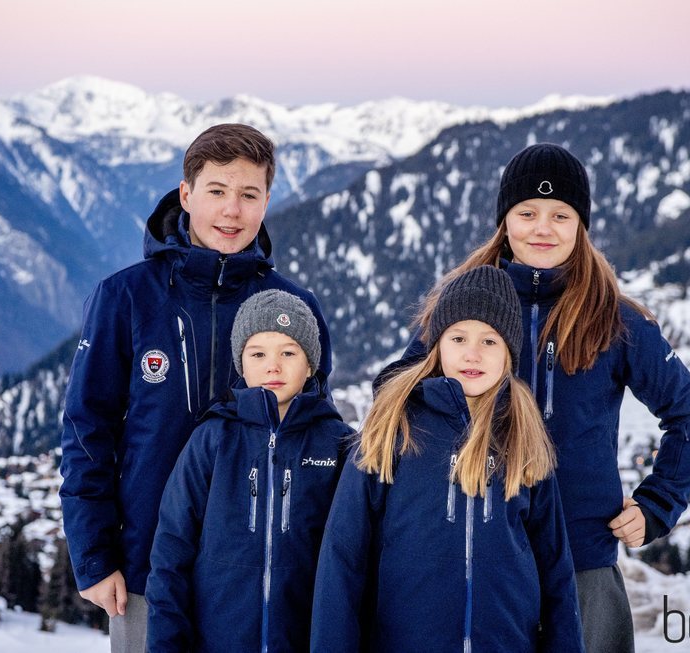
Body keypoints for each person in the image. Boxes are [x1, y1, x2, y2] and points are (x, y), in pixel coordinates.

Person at [395, 143, 690, 652]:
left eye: (560, 215)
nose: (543, 228)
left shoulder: (616, 319)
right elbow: (398, 389)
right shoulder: (466, 304)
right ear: (505, 220)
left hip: (583, 558)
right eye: (527, 213)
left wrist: (658, 503)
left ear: (581, 225)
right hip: (484, 552)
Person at [59, 124, 332, 652]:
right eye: (217, 191)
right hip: (144, 566)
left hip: (260, 574)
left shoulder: (294, 310)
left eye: (249, 195)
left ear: (266, 202)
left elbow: (311, 432)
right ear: (186, 195)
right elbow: (86, 429)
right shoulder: (127, 297)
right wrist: (93, 555)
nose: (232, 210)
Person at [312, 266, 585, 653]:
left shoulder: (524, 436)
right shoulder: (394, 427)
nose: (472, 353)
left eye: (490, 341)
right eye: (458, 337)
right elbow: (342, 558)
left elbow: (555, 570)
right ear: (437, 345)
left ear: (510, 353)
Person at [146, 290, 353, 652]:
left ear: (310, 365)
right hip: (218, 640)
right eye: (258, 354)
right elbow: (171, 551)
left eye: (289, 352)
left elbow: (355, 561)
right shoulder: (212, 439)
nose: (273, 366)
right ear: (241, 363)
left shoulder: (339, 446)